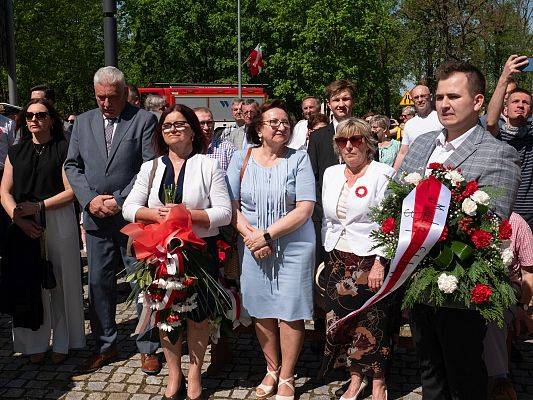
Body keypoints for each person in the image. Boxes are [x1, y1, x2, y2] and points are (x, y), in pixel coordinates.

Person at [396, 61, 521, 400]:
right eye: (439, 97)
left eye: (454, 96)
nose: (444, 104)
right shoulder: (421, 143)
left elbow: (491, 224)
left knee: (465, 378)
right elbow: (395, 199)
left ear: (478, 101)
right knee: (430, 376)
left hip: (462, 285)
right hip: (417, 281)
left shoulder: (500, 154)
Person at [123, 104, 232, 400]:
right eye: (168, 125)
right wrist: (154, 214)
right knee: (166, 313)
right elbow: (128, 207)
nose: (174, 129)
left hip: (198, 250)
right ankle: (174, 374)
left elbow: (224, 213)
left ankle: (195, 375)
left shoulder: (208, 165)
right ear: (161, 132)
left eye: (180, 124)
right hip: (161, 253)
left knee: (198, 316)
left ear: (193, 130)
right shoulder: (151, 167)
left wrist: (187, 214)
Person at [64, 66, 160, 374]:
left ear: (125, 91)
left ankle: (148, 345)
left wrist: (119, 201)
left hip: (132, 218)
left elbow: (149, 166)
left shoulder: (143, 120)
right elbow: (72, 165)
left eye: (112, 97)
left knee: (143, 282)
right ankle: (106, 344)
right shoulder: (82, 122)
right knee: (98, 283)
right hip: (95, 218)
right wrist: (90, 200)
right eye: (100, 97)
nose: (106, 103)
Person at [226, 100, 316, 400]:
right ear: (259, 129)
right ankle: (271, 368)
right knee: (262, 309)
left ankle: (288, 376)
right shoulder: (241, 158)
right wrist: (252, 238)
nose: (282, 126)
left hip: (293, 246)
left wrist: (266, 235)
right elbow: (232, 206)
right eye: (274, 122)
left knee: (291, 311)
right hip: (252, 246)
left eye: (286, 122)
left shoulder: (299, 158)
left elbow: (304, 208)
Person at [0, 99, 85, 364]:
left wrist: (39, 207)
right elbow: (4, 191)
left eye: (41, 115)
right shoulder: (16, 151)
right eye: (30, 116)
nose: (35, 120)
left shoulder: (64, 148)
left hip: (57, 217)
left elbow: (71, 192)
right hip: (21, 219)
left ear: (51, 119)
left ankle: (64, 341)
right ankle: (32, 343)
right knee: (27, 283)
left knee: (62, 281)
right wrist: (19, 217)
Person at [321, 118, 394, 400]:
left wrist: (380, 261)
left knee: (373, 323)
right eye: (342, 141)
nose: (349, 146)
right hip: (338, 259)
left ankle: (378, 381)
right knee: (344, 324)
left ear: (368, 143)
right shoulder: (331, 173)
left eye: (356, 140)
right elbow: (328, 221)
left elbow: (391, 221)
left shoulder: (383, 173)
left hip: (369, 261)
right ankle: (354, 379)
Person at [483, 212, 533, 400]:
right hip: (472, 285)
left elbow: (529, 274)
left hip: (507, 286)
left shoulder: (518, 223)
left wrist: (523, 308)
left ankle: (498, 382)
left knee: (493, 314)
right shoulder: (470, 214)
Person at [308, 79, 355, 268]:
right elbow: (312, 176)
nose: (341, 104)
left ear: (353, 102)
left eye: (346, 99)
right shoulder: (318, 137)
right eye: (336, 100)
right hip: (325, 217)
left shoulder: (365, 133)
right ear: (329, 104)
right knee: (325, 268)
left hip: (356, 214)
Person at [486, 55, 533, 230]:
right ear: (505, 108)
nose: (520, 105)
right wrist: (504, 77)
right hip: (503, 212)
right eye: (515, 101)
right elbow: (491, 120)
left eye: (525, 102)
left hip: (530, 214)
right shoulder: (496, 135)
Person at [393, 85, 443, 170]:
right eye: (416, 97)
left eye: (423, 96)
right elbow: (403, 152)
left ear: (430, 97)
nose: (419, 100)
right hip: (414, 172)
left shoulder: (441, 119)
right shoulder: (409, 124)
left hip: (436, 171)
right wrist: (393, 175)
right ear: (413, 100)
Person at [194, 106, 236, 174]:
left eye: (209, 123)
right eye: (201, 123)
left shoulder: (228, 149)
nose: (206, 127)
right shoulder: (187, 150)